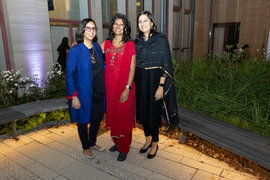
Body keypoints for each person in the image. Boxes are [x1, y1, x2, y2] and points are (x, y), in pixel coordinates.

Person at [134, 11, 179, 159]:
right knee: (142, 113)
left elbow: (165, 66)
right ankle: (147, 140)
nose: (142, 24)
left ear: (152, 23)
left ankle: (155, 143)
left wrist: (161, 86)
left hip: (154, 82)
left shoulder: (161, 40)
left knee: (153, 114)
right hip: (140, 81)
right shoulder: (137, 42)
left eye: (145, 21)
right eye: (140, 21)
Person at [66, 18, 106, 159]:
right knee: (83, 121)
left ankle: (92, 142)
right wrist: (74, 96)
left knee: (97, 119)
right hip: (82, 94)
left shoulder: (97, 48)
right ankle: (85, 147)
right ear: (82, 30)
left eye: (93, 28)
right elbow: (70, 76)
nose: (91, 31)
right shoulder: (75, 51)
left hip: (98, 92)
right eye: (88, 28)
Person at [100, 13, 136, 161]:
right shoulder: (107, 43)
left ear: (126, 28)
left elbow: (132, 69)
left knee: (124, 115)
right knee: (114, 114)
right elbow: (92, 50)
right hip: (110, 87)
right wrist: (78, 44)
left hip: (124, 86)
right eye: (116, 24)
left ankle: (124, 147)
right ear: (112, 26)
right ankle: (116, 141)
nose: (118, 27)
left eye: (121, 24)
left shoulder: (130, 44)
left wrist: (127, 88)